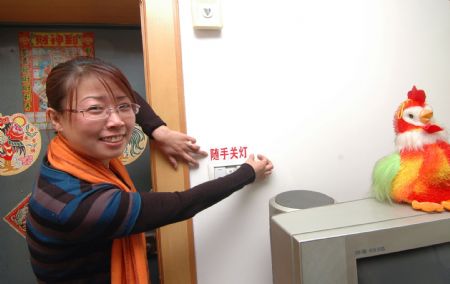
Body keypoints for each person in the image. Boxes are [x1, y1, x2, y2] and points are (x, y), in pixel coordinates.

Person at [25, 57, 273, 284]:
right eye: (94, 109)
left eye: (123, 107)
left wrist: (158, 131)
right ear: (55, 119)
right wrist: (248, 171)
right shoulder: (79, 205)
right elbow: (181, 204)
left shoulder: (61, 156)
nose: (117, 121)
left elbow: (128, 95)